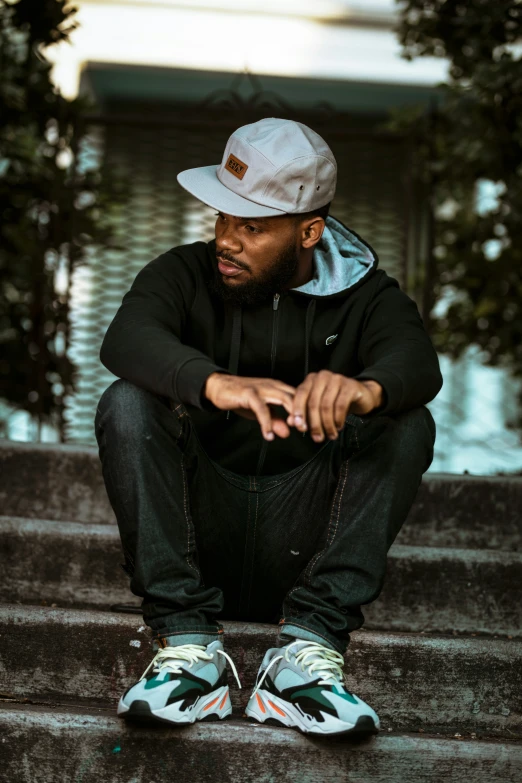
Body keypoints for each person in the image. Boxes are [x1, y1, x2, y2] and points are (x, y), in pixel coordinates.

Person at [94, 117, 442, 737]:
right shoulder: (182, 272)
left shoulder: (370, 298)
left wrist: (365, 389)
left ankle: (303, 660)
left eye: (251, 226)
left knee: (404, 418)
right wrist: (211, 382)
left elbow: (415, 363)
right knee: (127, 399)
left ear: (310, 230)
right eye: (223, 217)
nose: (227, 239)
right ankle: (186, 649)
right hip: (202, 530)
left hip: (303, 538)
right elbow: (127, 338)